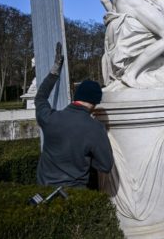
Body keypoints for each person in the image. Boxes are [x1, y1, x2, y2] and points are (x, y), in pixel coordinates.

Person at [35, 43, 114, 187]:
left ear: (76, 97)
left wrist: (54, 72)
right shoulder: (95, 128)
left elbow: (40, 98)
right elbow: (105, 166)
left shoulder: (50, 118)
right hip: (74, 197)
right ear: (95, 103)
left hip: (44, 192)